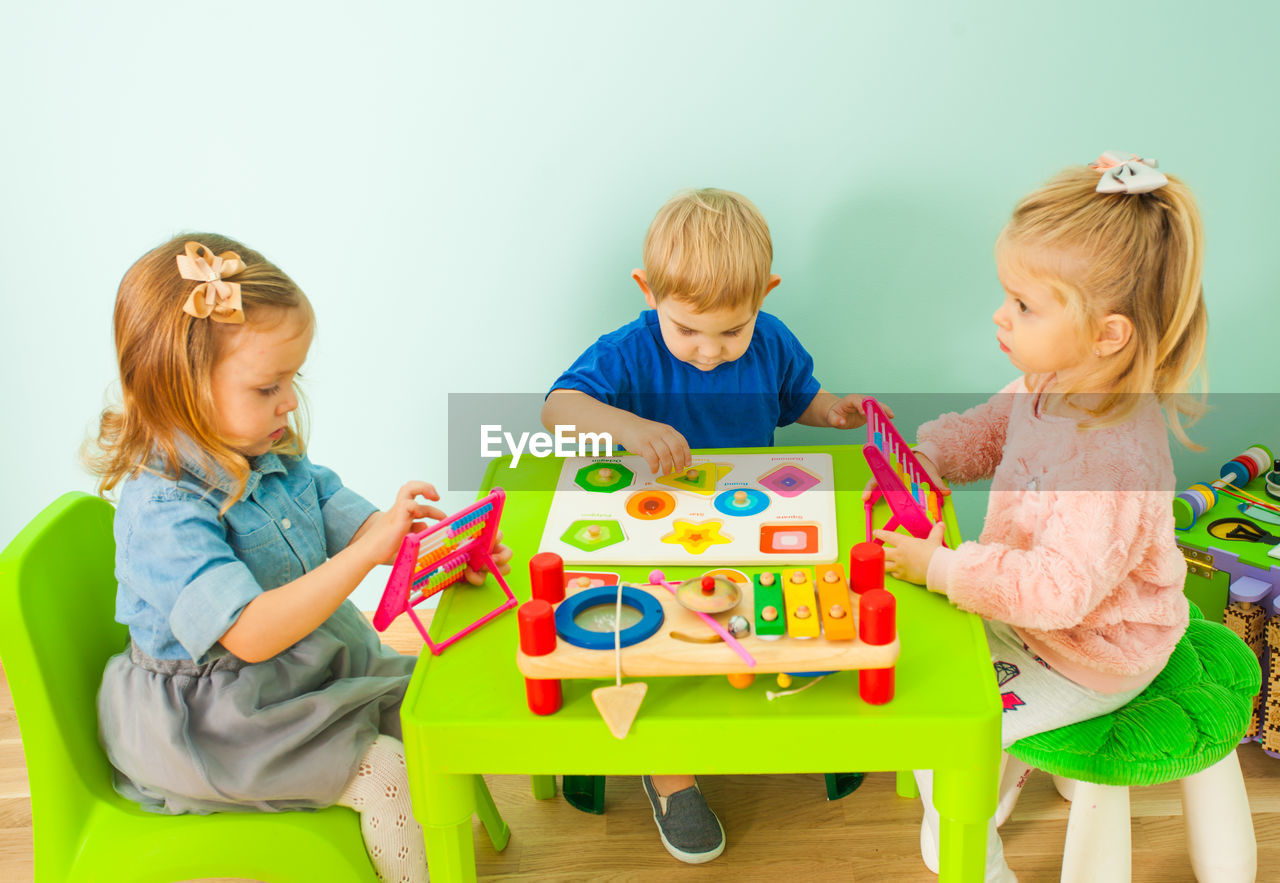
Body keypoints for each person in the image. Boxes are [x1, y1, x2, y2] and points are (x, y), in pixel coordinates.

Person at [87, 233, 511, 883]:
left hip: (297, 667)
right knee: (387, 773)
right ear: (179, 391)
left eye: (294, 378)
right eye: (267, 386)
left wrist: (436, 548)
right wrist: (371, 550)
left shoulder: (266, 447)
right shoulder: (162, 508)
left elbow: (339, 509)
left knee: (429, 700)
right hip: (220, 718)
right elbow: (251, 632)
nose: (288, 400)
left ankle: (450, 845)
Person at [873, 152, 1205, 881]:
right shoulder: (1046, 379)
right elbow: (989, 430)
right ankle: (1010, 763)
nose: (1001, 314)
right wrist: (925, 457)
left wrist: (945, 568)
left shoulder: (1115, 457)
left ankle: (979, 851)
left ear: (1106, 334)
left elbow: (1060, 592)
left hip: (1092, 652)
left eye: (1024, 305)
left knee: (944, 746)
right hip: (1029, 614)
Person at [541, 188, 883, 863]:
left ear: (765, 296)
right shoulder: (629, 351)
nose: (708, 351)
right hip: (651, 534)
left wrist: (833, 409)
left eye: (732, 330)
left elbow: (799, 397)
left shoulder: (774, 340)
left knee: (795, 609)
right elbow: (559, 408)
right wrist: (631, 428)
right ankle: (669, 771)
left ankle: (807, 718)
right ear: (648, 292)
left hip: (753, 525)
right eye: (688, 330)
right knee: (652, 640)